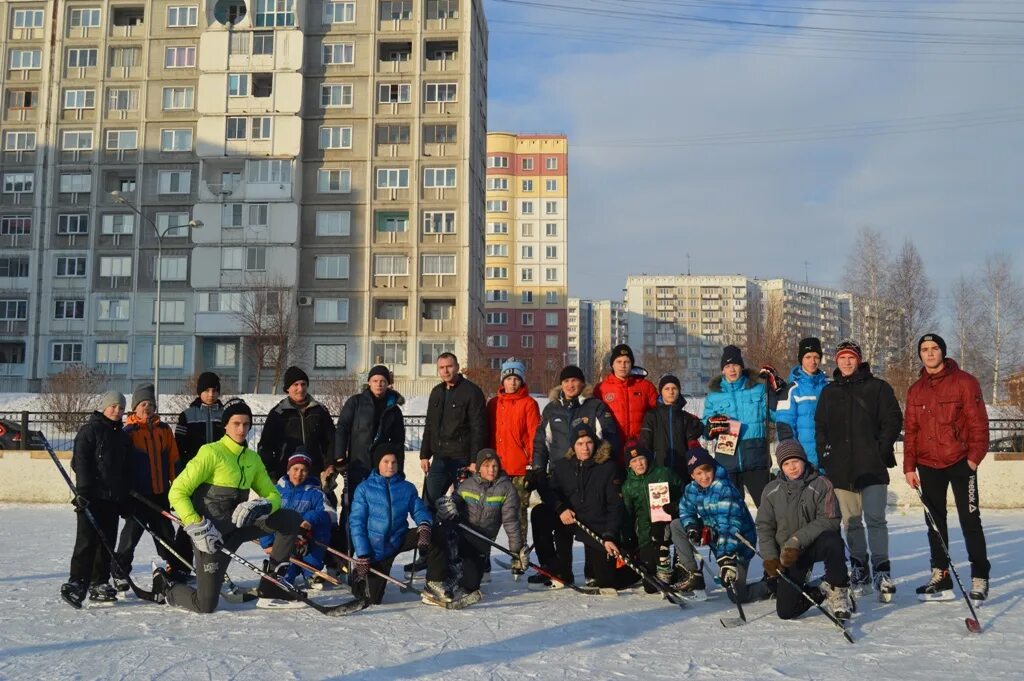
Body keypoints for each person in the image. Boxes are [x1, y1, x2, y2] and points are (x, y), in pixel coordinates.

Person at [157, 398, 303, 614]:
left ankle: (272, 586)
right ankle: (166, 587)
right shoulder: (211, 453)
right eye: (236, 423)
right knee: (205, 604)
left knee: (289, 519)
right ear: (225, 425)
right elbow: (177, 491)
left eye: (246, 424)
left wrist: (263, 506)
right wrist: (196, 525)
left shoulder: (252, 459)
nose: (241, 429)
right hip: (211, 536)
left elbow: (274, 495)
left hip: (238, 527)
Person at [904, 333, 991, 602]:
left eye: (934, 349)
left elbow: (979, 425)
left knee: (970, 520)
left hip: (960, 462)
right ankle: (941, 575)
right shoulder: (916, 390)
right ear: (920, 354)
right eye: (925, 349)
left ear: (943, 351)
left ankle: (980, 575)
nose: (930, 354)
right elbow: (911, 431)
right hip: (928, 465)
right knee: (934, 523)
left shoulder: (965, 382)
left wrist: (973, 459)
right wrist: (909, 467)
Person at [815, 340, 903, 596]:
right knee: (851, 522)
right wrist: (826, 455)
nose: (846, 362)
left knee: (876, 519)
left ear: (859, 360)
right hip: (841, 469)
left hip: (872, 466)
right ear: (836, 361)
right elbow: (820, 426)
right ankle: (859, 567)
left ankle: (881, 569)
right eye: (842, 358)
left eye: (851, 357)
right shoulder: (829, 392)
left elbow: (893, 418)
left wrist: (883, 448)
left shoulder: (878, 388)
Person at [756, 439, 852, 620]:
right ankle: (822, 589)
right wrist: (770, 557)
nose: (792, 467)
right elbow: (764, 526)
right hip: (789, 555)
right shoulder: (771, 490)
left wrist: (796, 540)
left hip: (813, 546)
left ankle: (839, 588)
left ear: (804, 460)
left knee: (833, 541)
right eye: (786, 464)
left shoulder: (822, 484)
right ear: (780, 467)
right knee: (786, 611)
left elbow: (830, 520)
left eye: (795, 461)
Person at [533, 421, 636, 590]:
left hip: (595, 525)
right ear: (573, 446)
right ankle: (558, 569)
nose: (585, 448)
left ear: (595, 443)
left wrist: (609, 535)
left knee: (607, 582)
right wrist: (560, 507)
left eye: (589, 443)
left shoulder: (608, 467)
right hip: (569, 517)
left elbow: (615, 505)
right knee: (540, 513)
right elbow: (550, 491)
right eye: (580, 444)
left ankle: (635, 568)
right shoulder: (563, 466)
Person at [60, 391, 133, 608]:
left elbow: (126, 469)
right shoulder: (90, 431)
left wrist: (125, 496)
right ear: (104, 407)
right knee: (86, 541)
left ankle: (99, 582)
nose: (117, 411)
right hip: (91, 498)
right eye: (113, 407)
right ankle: (77, 581)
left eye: (120, 408)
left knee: (106, 542)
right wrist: (83, 491)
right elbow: (81, 462)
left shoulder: (122, 436)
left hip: (112, 499)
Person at [430, 448, 526, 608]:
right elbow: (454, 502)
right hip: (463, 531)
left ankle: (466, 582)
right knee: (444, 535)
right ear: (479, 467)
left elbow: (511, 521)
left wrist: (517, 550)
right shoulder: (467, 484)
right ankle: (442, 578)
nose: (491, 470)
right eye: (487, 466)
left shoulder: (507, 488)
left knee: (471, 582)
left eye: (495, 466)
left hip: (482, 538)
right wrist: (447, 506)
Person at [114, 384, 187, 591]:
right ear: (135, 408)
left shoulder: (164, 431)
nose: (147, 408)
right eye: (143, 404)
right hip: (137, 497)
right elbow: (122, 467)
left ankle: (174, 569)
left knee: (165, 536)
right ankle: (120, 573)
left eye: (151, 404)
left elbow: (174, 461)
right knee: (130, 538)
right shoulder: (128, 432)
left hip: (160, 494)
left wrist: (177, 488)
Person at [672, 446, 768, 603]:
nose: (704, 477)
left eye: (707, 470)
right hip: (716, 538)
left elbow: (728, 527)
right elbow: (685, 510)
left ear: (713, 468)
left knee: (737, 595)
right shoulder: (691, 489)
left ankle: (770, 585)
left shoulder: (724, 488)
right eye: (698, 473)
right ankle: (693, 574)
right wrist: (691, 528)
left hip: (738, 544)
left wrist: (726, 560)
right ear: (692, 475)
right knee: (677, 525)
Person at [349, 446, 439, 605]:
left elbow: (418, 509)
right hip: (375, 549)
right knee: (371, 600)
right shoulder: (364, 489)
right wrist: (363, 554)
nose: (390, 466)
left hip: (399, 538)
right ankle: (358, 576)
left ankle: (434, 583)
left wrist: (424, 525)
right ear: (378, 463)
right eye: (386, 462)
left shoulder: (406, 488)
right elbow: (357, 523)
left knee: (435, 535)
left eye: (394, 462)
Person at [703, 345, 774, 507]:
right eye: (727, 366)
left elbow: (775, 414)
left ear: (741, 366)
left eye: (735, 365)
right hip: (727, 462)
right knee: (732, 512)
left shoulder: (758, 389)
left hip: (756, 459)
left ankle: (768, 534)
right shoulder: (714, 396)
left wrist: (776, 391)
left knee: (767, 509)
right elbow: (705, 430)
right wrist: (710, 427)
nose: (732, 369)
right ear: (722, 370)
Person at [418, 352, 487, 509]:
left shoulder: (471, 392)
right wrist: (424, 455)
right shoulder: (436, 392)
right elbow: (430, 425)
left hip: (462, 459)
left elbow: (479, 428)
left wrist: (474, 460)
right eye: (441, 367)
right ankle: (432, 534)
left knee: (463, 506)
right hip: (440, 459)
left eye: (449, 366)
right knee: (428, 504)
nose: (446, 371)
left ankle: (457, 534)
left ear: (457, 367)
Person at [259, 449, 335, 589]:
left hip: (307, 540)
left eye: (303, 470)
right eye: (295, 469)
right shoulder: (276, 491)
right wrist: (267, 543)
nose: (298, 474)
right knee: (285, 574)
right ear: (288, 470)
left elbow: (330, 514)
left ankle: (310, 571)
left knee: (322, 527)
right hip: (284, 541)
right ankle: (284, 572)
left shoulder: (315, 492)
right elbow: (265, 516)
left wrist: (308, 520)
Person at [172, 371, 225, 574]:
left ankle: (214, 566)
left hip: (220, 478)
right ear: (199, 392)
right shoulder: (188, 415)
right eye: (206, 390)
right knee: (192, 521)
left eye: (214, 390)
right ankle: (182, 566)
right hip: (195, 476)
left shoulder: (226, 414)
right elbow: (179, 447)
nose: (211, 394)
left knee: (218, 522)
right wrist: (185, 473)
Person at [486, 358, 540, 550]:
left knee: (517, 514)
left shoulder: (529, 404)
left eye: (516, 378)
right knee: (489, 514)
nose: (512, 382)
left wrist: (534, 464)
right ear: (502, 380)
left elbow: (535, 436)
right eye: (508, 378)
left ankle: (519, 555)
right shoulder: (493, 404)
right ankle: (483, 559)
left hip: (519, 468)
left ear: (522, 380)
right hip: (495, 469)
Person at [620, 442, 682, 591]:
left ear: (647, 458)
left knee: (674, 551)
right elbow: (628, 516)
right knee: (651, 586)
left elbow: (684, 494)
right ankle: (661, 571)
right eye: (634, 461)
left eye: (641, 459)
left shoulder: (664, 473)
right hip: (646, 533)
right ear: (629, 465)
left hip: (670, 525)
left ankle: (680, 568)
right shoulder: (628, 486)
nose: (639, 464)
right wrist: (626, 541)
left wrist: (676, 505)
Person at [259, 366, 335, 480]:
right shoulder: (278, 414)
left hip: (316, 474)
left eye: (303, 384)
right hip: (285, 475)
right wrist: (271, 472)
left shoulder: (320, 411)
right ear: (287, 389)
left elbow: (331, 441)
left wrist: (330, 466)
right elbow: (266, 446)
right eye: (296, 385)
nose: (300, 388)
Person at [593, 344, 658, 465]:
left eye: (627, 361)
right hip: (612, 448)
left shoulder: (646, 386)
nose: (623, 365)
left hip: (640, 449)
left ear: (631, 364)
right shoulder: (601, 388)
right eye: (619, 361)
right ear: (612, 364)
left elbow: (659, 412)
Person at [774, 338, 829, 470]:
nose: (813, 361)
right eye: (808, 357)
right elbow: (784, 426)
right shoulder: (792, 389)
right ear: (801, 359)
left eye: (816, 357)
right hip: (804, 461)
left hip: (827, 459)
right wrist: (794, 457)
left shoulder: (828, 387)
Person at [638, 374, 704, 477]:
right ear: (661, 392)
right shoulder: (651, 415)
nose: (671, 392)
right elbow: (645, 443)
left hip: (682, 469)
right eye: (667, 389)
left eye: (674, 388)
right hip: (659, 469)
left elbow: (692, 442)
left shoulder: (686, 417)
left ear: (679, 391)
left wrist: (700, 426)